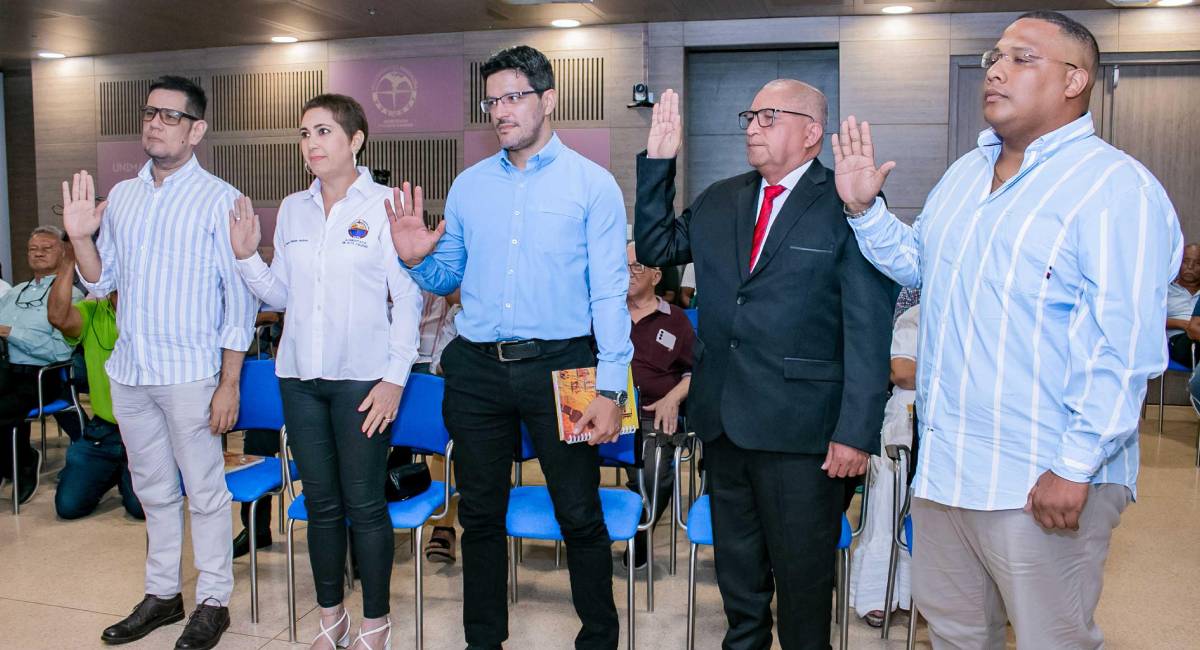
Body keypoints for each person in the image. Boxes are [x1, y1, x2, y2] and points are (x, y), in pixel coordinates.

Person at [836, 11, 1182, 648]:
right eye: (994, 57)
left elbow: (1124, 351)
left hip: (1042, 477)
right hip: (947, 470)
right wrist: (864, 210)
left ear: (1075, 80)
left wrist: (1074, 468)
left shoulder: (1113, 188)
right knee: (956, 633)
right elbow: (920, 265)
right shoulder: (966, 174)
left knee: (1053, 639)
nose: (996, 70)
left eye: (1022, 58)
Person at [635, 80, 895, 648]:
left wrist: (856, 432)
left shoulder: (848, 202)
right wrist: (658, 164)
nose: (752, 126)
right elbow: (656, 247)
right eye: (750, 116)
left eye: (769, 116)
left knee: (803, 595)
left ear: (811, 132)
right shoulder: (722, 197)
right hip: (725, 425)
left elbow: (868, 329)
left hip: (805, 436)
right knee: (739, 589)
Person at [389, 45, 632, 650]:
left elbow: (610, 293)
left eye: (514, 97)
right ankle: (483, 640)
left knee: (579, 512)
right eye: (492, 100)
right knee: (480, 515)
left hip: (567, 366)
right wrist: (415, 259)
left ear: (549, 100)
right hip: (477, 369)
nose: (500, 110)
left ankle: (599, 639)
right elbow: (448, 277)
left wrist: (612, 387)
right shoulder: (469, 186)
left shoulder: (592, 185)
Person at [63, 75, 258, 650]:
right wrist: (80, 239)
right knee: (152, 489)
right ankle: (162, 595)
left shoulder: (221, 199)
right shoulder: (123, 197)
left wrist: (229, 382)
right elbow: (101, 284)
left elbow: (239, 302)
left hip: (191, 373)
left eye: (171, 116)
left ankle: (214, 601)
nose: (155, 123)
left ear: (197, 131)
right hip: (131, 371)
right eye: (150, 113)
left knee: (206, 491)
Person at [229, 92, 421, 650]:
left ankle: (376, 623)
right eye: (304, 133)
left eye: (323, 131)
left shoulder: (384, 205)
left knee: (364, 503)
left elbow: (408, 299)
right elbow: (282, 294)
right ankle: (331, 617)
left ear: (355, 139)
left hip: (364, 380)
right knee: (321, 504)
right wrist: (247, 257)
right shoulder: (294, 207)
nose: (310, 143)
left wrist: (395, 378)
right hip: (299, 379)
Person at [45, 240, 143, 520]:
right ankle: (110, 472)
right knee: (69, 507)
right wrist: (68, 262)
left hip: (144, 430)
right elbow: (58, 317)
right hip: (103, 431)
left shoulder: (154, 315)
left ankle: (124, 473)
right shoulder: (92, 312)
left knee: (140, 510)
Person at [623, 242, 694, 570]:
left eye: (637, 267)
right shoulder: (606, 313)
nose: (629, 273)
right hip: (611, 414)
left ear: (656, 276)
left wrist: (673, 397)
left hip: (655, 414)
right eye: (624, 266)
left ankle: (639, 530)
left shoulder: (676, 320)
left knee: (654, 476)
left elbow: (696, 371)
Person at [848, 301, 919, 627]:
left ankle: (920, 595)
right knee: (887, 511)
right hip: (904, 423)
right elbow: (901, 372)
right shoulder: (915, 314)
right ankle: (879, 595)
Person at [0, 225, 81, 505]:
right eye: (33, 249)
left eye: (47, 248)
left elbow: (59, 352)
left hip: (42, 376)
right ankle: (8, 462)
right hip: (5, 371)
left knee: (4, 407)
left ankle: (23, 462)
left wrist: (11, 333)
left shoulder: (70, 294)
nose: (38, 253)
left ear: (63, 253)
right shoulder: (13, 293)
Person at [411, 288, 462, 563]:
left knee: (443, 444)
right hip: (383, 356)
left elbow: (459, 297)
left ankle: (443, 525)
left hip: (434, 357)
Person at [1166, 243, 1200, 367]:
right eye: (1185, 261)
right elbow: (1151, 320)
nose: (1190, 266)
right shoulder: (1166, 290)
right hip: (1178, 341)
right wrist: (1184, 324)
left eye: (1197, 263)